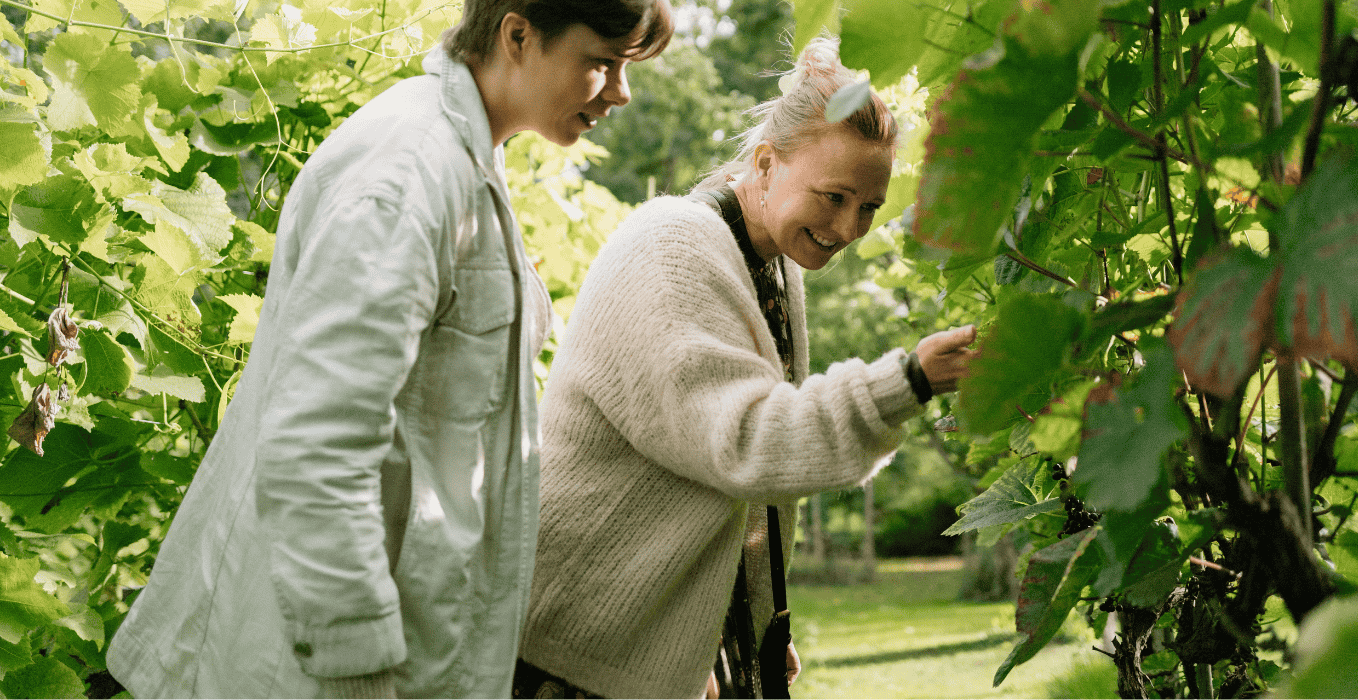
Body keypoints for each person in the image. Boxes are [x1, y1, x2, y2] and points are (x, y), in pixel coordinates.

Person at [105, 1, 671, 697]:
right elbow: (318, 446)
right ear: (518, 34)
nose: (621, 92)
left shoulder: (462, 162)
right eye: (603, 63)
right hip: (311, 670)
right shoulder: (404, 176)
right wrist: (356, 662)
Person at [515, 38, 980, 699]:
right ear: (767, 163)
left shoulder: (772, 265)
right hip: (570, 651)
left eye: (869, 207)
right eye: (835, 197)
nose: (849, 228)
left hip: (643, 648)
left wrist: (750, 630)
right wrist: (908, 382)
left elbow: (747, 504)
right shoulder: (672, 251)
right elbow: (750, 441)